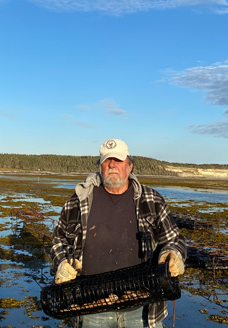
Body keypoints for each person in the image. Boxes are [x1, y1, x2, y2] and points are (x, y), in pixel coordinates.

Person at [50, 139, 187, 328]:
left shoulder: (152, 200)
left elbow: (174, 239)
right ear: (100, 167)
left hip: (142, 304)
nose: (112, 165)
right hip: (91, 304)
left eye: (118, 160)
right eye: (107, 161)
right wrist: (62, 263)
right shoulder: (79, 200)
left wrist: (173, 254)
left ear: (130, 166)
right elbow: (58, 240)